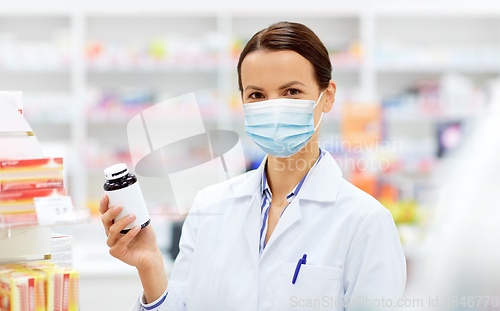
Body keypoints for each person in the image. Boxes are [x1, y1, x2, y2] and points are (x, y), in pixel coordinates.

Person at [99, 21, 406, 311]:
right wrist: (150, 263)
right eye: (257, 95)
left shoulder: (365, 221)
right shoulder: (210, 206)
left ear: (327, 97)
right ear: (243, 102)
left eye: (292, 92)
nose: (273, 108)